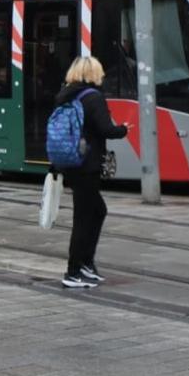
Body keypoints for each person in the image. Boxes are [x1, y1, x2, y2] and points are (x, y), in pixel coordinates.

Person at [54, 56, 129, 289]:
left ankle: (86, 264)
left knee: (96, 211)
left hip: (71, 163)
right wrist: (123, 129)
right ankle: (73, 271)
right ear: (92, 73)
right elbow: (106, 129)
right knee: (84, 218)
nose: (103, 75)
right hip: (87, 165)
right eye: (100, 71)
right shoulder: (93, 98)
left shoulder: (65, 94)